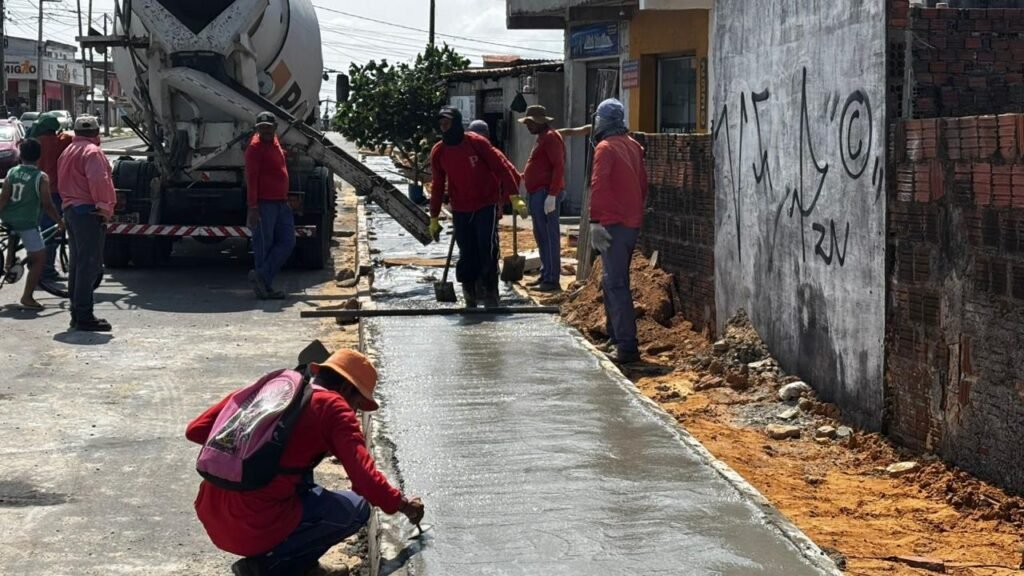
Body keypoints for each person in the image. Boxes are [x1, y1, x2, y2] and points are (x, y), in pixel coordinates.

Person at [186, 348, 425, 576]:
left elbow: (196, 430)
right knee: (358, 508)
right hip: (253, 527)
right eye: (357, 404)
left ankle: (307, 567)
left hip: (212, 513)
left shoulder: (277, 388)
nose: (354, 412)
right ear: (345, 388)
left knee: (299, 476)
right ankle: (268, 567)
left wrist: (258, 447)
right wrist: (404, 506)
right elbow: (366, 482)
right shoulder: (334, 408)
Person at [430, 107, 520, 308]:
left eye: (447, 123)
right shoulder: (439, 151)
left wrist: (514, 197)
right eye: (441, 123)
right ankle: (469, 290)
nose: (444, 127)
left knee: (486, 247)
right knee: (466, 250)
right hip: (461, 207)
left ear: (456, 123)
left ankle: (489, 289)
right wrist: (433, 216)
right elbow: (437, 184)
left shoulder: (477, 143)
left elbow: (502, 168)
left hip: (485, 204)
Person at [588, 99, 648, 365]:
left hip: (613, 223)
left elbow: (599, 184)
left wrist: (595, 221)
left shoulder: (605, 148)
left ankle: (626, 346)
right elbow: (642, 184)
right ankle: (615, 338)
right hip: (630, 222)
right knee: (613, 280)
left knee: (615, 283)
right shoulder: (633, 146)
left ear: (602, 121)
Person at [57, 116, 115, 332]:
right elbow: (99, 181)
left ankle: (77, 312)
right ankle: (83, 314)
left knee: (78, 264)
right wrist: (104, 208)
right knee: (89, 264)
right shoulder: (93, 152)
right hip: (88, 211)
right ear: (97, 133)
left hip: (71, 209)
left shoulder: (68, 151)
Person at [0, 138, 62, 311]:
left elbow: (4, 198)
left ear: (21, 156)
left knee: (13, 236)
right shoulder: (41, 177)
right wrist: (60, 221)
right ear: (39, 156)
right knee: (39, 257)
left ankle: (9, 264)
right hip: (26, 221)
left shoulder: (12, 172)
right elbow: (47, 204)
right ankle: (27, 296)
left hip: (8, 218)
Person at [245, 111, 294, 300]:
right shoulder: (254, 148)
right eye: (262, 128)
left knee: (288, 242)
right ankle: (264, 286)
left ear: (275, 128)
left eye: (268, 127)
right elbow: (251, 179)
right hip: (264, 204)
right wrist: (253, 207)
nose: (265, 130)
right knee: (263, 247)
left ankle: (261, 276)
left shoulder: (274, 142)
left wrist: (286, 155)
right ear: (257, 129)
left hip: (281, 202)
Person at [519, 104, 565, 293]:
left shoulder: (551, 138)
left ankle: (552, 279)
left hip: (545, 193)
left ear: (540, 122)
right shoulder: (542, 137)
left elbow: (558, 166)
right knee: (541, 236)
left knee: (549, 236)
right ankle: (546, 273)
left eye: (530, 123)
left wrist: (552, 194)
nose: (528, 126)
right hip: (537, 192)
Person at [31, 112, 73, 282]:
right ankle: (46, 269)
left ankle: (36, 267)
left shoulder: (35, 143)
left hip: (34, 192)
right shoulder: (61, 141)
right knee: (52, 231)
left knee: (38, 230)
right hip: (54, 192)